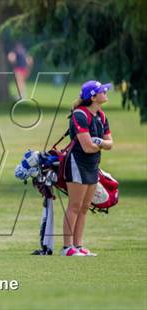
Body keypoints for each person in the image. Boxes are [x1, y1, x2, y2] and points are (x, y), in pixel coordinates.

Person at [61, 81, 113, 256]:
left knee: (85, 207)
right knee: (74, 206)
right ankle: (67, 247)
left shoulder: (102, 116)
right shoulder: (80, 115)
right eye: (101, 91)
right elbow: (87, 147)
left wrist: (99, 143)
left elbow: (110, 144)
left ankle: (78, 245)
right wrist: (100, 144)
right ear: (92, 97)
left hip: (92, 165)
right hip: (77, 163)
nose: (105, 92)